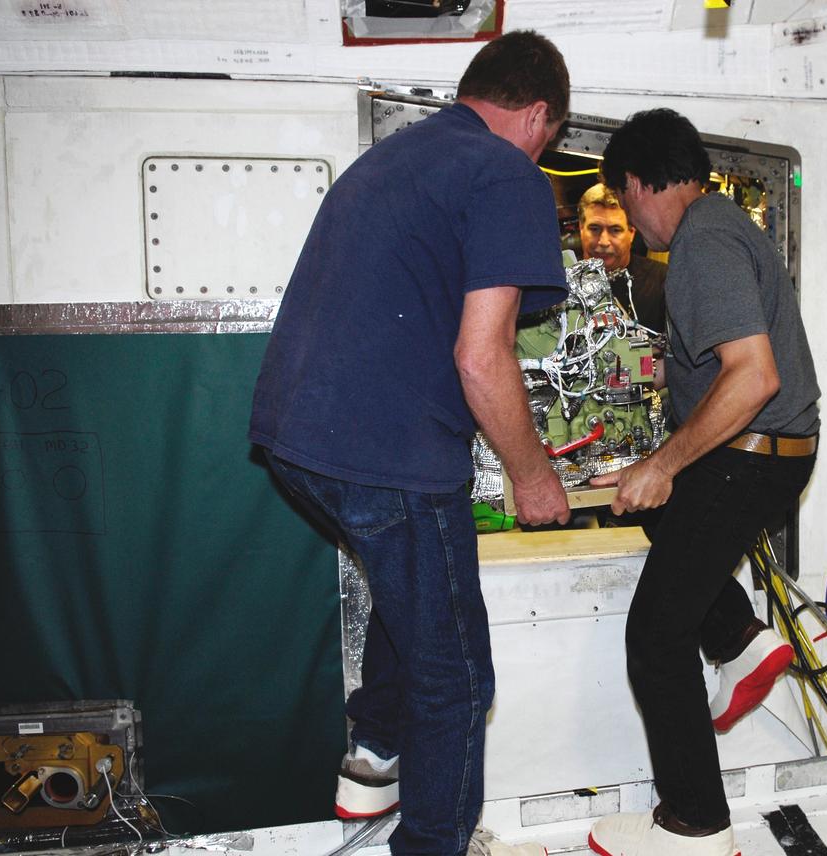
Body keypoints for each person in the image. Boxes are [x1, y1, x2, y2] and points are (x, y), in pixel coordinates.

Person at [248, 31, 572, 856]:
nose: (546, 150)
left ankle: (373, 753)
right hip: (387, 455)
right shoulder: (505, 170)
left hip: (295, 441)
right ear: (536, 115)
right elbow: (481, 354)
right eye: (551, 136)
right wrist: (532, 478)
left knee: (410, 582)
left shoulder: (393, 160)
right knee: (457, 679)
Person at [587, 108, 821, 856]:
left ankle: (696, 826)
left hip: (750, 454)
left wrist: (664, 462)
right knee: (656, 508)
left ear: (635, 183)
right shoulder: (721, 225)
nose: (630, 222)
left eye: (623, 204)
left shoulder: (702, 240)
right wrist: (654, 470)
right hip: (763, 453)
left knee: (655, 636)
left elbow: (753, 377)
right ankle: (741, 638)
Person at [577, 183, 668, 335]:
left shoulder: (662, 281)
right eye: (594, 229)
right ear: (581, 228)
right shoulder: (561, 282)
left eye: (615, 230)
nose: (604, 241)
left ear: (632, 232)